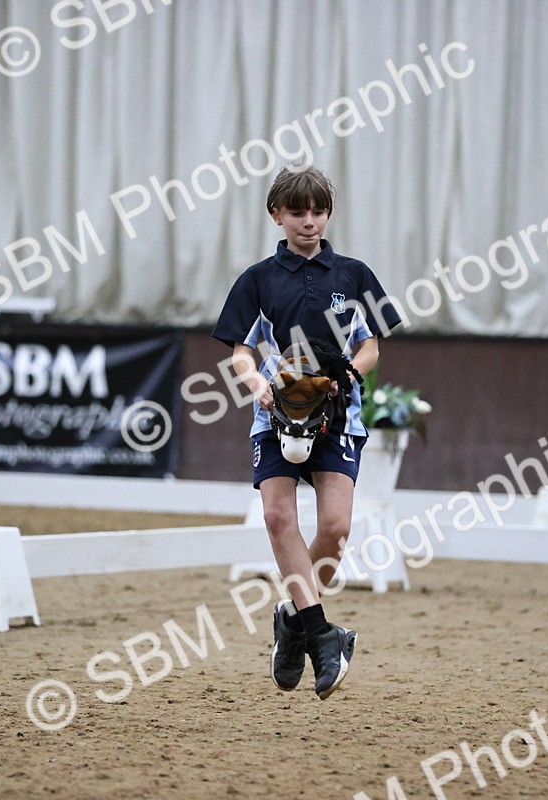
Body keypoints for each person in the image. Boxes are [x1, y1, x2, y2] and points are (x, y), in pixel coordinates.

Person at [212, 165, 401, 699]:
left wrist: (350, 372)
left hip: (339, 412)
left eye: (318, 211)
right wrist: (255, 385)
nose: (309, 222)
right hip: (277, 412)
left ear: (329, 214)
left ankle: (294, 619)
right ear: (277, 215)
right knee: (277, 516)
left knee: (337, 527)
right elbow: (241, 350)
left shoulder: (354, 274)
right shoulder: (257, 280)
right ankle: (320, 633)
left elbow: (372, 346)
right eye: (298, 212)